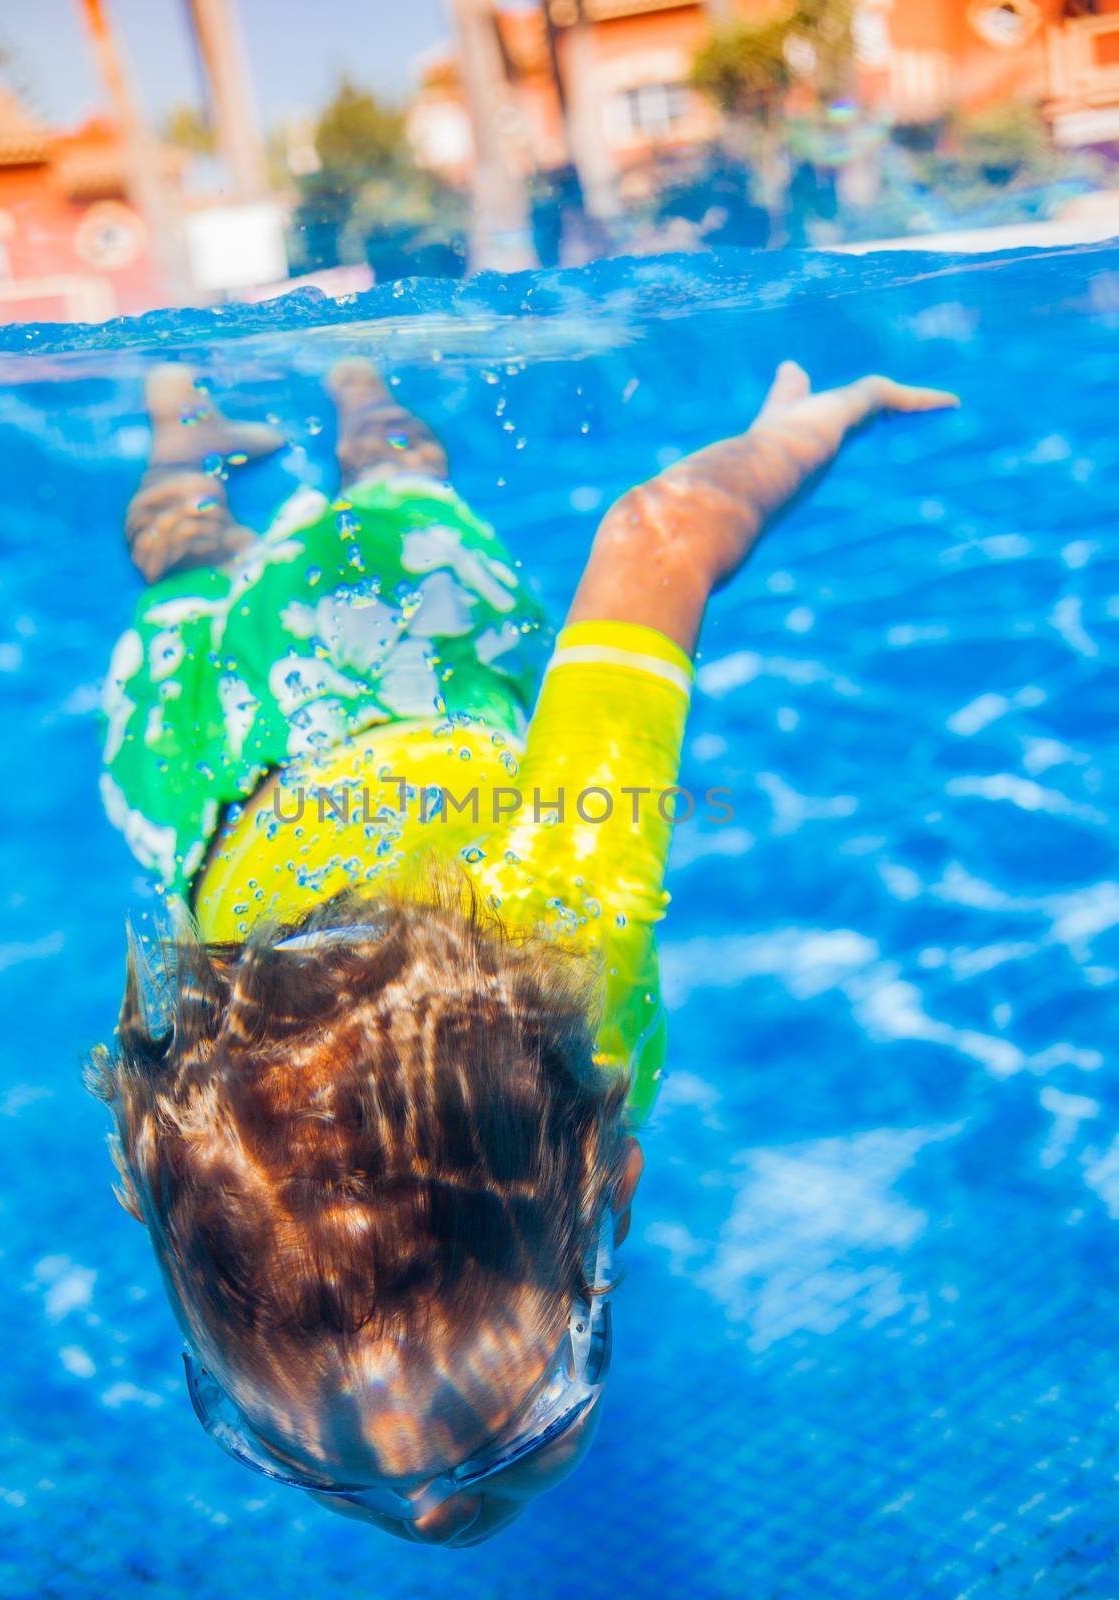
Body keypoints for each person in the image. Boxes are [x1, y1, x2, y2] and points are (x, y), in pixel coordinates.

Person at [89, 355, 957, 1545]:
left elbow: (659, 536)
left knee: (286, 531)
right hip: (258, 726)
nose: (435, 1517)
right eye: (310, 1463)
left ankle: (304, 404)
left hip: (344, 678)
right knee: (227, 551)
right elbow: (652, 535)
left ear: (617, 1185)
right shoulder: (210, 1129)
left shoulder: (567, 922)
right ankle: (205, 414)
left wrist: (816, 422)